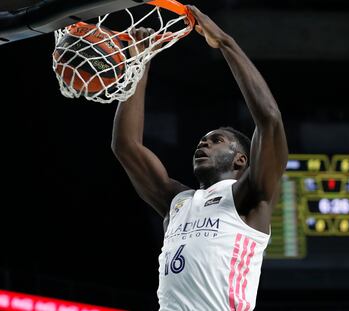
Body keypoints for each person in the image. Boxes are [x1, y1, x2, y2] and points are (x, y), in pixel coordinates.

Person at [111, 5, 288, 311]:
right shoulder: (177, 202)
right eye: (202, 140)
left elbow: (269, 119)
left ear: (241, 161)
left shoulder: (248, 197)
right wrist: (139, 66)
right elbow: (125, 146)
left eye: (216, 140)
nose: (203, 144)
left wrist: (226, 43)